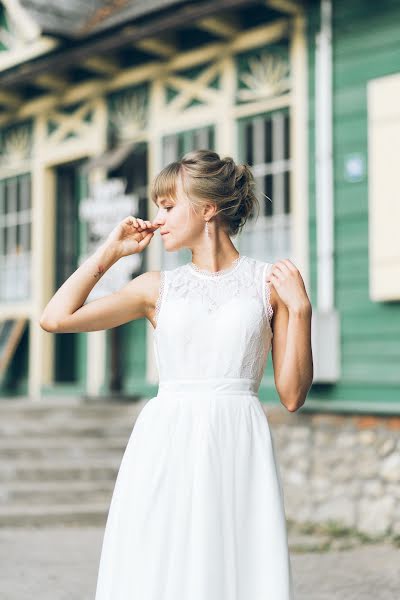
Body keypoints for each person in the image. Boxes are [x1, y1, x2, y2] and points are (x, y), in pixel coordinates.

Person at [40, 149, 313, 599]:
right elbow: (55, 318)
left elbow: (291, 395)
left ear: (208, 209)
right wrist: (109, 252)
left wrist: (300, 310)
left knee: (234, 563)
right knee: (158, 559)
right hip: (166, 438)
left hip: (237, 439)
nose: (158, 218)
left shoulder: (270, 284)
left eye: (168, 206)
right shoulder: (155, 287)